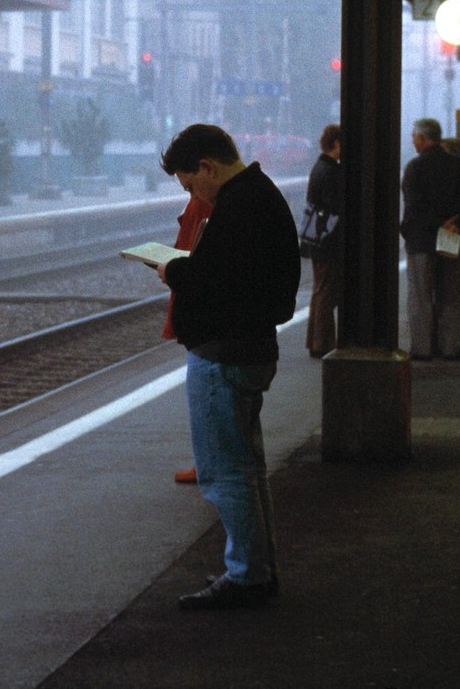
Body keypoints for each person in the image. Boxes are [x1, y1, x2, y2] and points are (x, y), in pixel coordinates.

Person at [156, 124, 300, 610]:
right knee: (247, 468)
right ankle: (256, 569)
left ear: (207, 168)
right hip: (248, 349)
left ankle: (247, 578)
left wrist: (172, 270)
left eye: (191, 184)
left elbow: (217, 280)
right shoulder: (260, 196)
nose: (195, 195)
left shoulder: (239, 207)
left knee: (227, 473)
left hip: (225, 355)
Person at [400, 117, 460, 359]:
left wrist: (435, 224)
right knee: (451, 296)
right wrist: (454, 223)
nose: (413, 141)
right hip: (452, 239)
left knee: (421, 296)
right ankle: (450, 347)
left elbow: (413, 206)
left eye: (414, 136)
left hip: (421, 241)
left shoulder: (414, 168)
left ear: (423, 138)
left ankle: (422, 349)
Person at [160, 192, 213, 484]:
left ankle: (206, 464)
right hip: (210, 324)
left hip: (205, 326)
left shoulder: (204, 200)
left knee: (205, 397)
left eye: (187, 180)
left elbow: (189, 251)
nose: (186, 187)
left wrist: (170, 269)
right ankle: (207, 462)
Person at [304, 124, 343, 358]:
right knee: (326, 292)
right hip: (328, 240)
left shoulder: (319, 167)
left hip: (318, 239)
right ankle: (322, 343)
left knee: (320, 291)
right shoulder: (331, 171)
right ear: (336, 143)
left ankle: (316, 341)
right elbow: (335, 207)